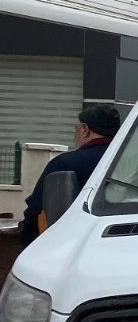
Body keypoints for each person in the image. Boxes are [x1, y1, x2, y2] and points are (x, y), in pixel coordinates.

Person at [21, 105, 122, 245]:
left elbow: (36, 211)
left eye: (76, 130)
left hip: (70, 245)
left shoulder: (65, 163)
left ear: (85, 130)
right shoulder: (131, 162)